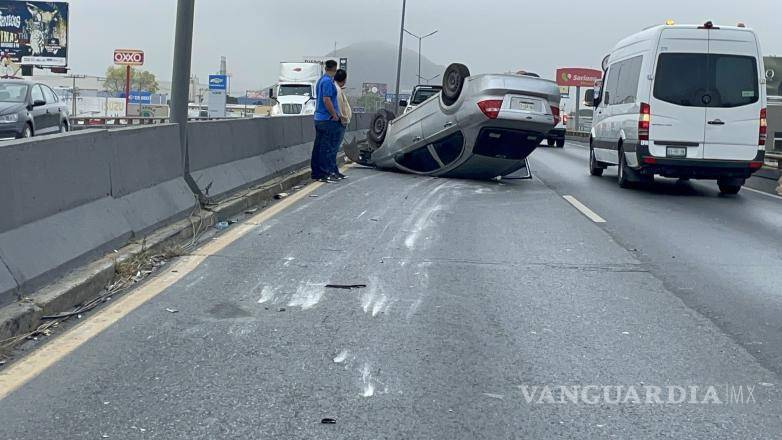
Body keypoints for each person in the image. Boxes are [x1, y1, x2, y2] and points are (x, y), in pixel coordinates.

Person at [311, 60, 341, 183]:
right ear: (334, 69)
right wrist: (334, 115)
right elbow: (326, 100)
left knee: (318, 147)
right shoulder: (328, 82)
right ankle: (324, 173)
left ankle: (316, 172)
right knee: (325, 147)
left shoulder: (320, 80)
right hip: (326, 119)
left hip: (318, 118)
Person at [330, 69, 352, 179]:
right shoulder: (338, 91)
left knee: (333, 148)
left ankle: (334, 170)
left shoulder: (338, 89)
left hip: (339, 122)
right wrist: (344, 119)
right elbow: (340, 108)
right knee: (334, 149)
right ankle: (332, 171)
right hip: (340, 123)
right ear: (344, 80)